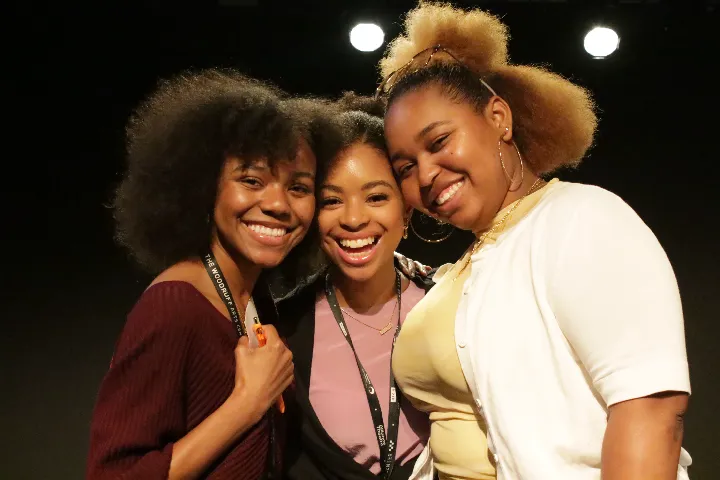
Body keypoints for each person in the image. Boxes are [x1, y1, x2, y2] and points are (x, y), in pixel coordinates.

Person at [377, 2, 692, 480]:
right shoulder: (469, 265)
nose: (424, 174)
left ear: (499, 118)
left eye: (439, 142)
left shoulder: (581, 219)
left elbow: (651, 410)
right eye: (404, 167)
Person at [86, 69, 335, 480]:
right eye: (252, 180)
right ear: (205, 187)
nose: (278, 204)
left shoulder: (256, 299)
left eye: (299, 187)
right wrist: (247, 403)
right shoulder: (174, 306)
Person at [276, 93, 431, 480]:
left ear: (406, 209)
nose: (354, 219)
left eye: (376, 197)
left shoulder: (451, 303)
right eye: (331, 201)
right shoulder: (284, 328)